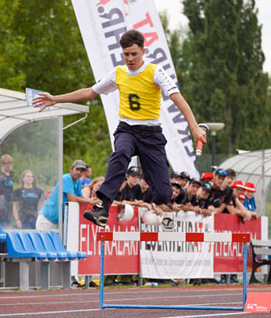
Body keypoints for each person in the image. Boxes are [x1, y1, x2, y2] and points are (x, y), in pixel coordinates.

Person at [33, 29, 206, 227]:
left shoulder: (155, 72)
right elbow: (90, 91)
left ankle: (154, 203)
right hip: (127, 129)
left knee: (164, 192)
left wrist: (194, 126)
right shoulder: (118, 73)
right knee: (121, 153)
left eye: (134, 54)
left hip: (151, 135)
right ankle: (102, 208)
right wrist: (55, 99)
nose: (130, 59)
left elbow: (177, 98)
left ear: (143, 51)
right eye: (126, 54)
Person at [36, 160, 99, 231]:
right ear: (71, 169)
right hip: (46, 221)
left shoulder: (78, 181)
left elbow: (81, 197)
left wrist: (92, 200)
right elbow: (72, 199)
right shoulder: (66, 178)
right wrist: (89, 201)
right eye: (77, 169)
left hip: (57, 223)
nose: (79, 172)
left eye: (81, 171)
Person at [0, 154, 14, 228]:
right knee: (2, 226)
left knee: (8, 225)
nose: (9, 166)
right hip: (1, 205)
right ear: (3, 164)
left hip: (9, 206)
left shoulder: (10, 176)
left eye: (11, 164)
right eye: (8, 164)